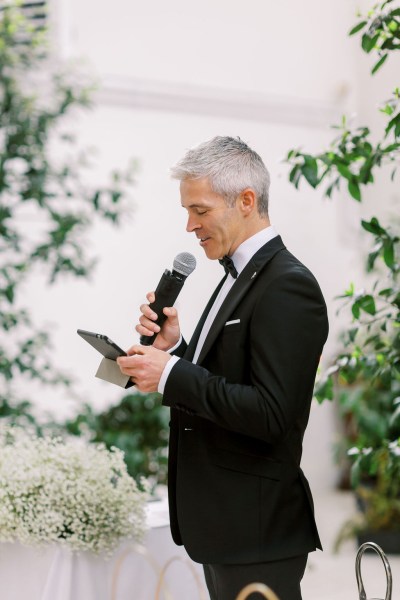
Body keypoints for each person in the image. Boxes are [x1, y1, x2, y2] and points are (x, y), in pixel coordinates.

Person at [117, 136, 329, 600]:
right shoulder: (240, 273)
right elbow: (232, 380)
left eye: (200, 210)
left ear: (247, 201)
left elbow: (272, 414)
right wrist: (177, 350)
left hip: (256, 532)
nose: (190, 225)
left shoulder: (288, 286)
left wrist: (171, 375)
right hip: (226, 527)